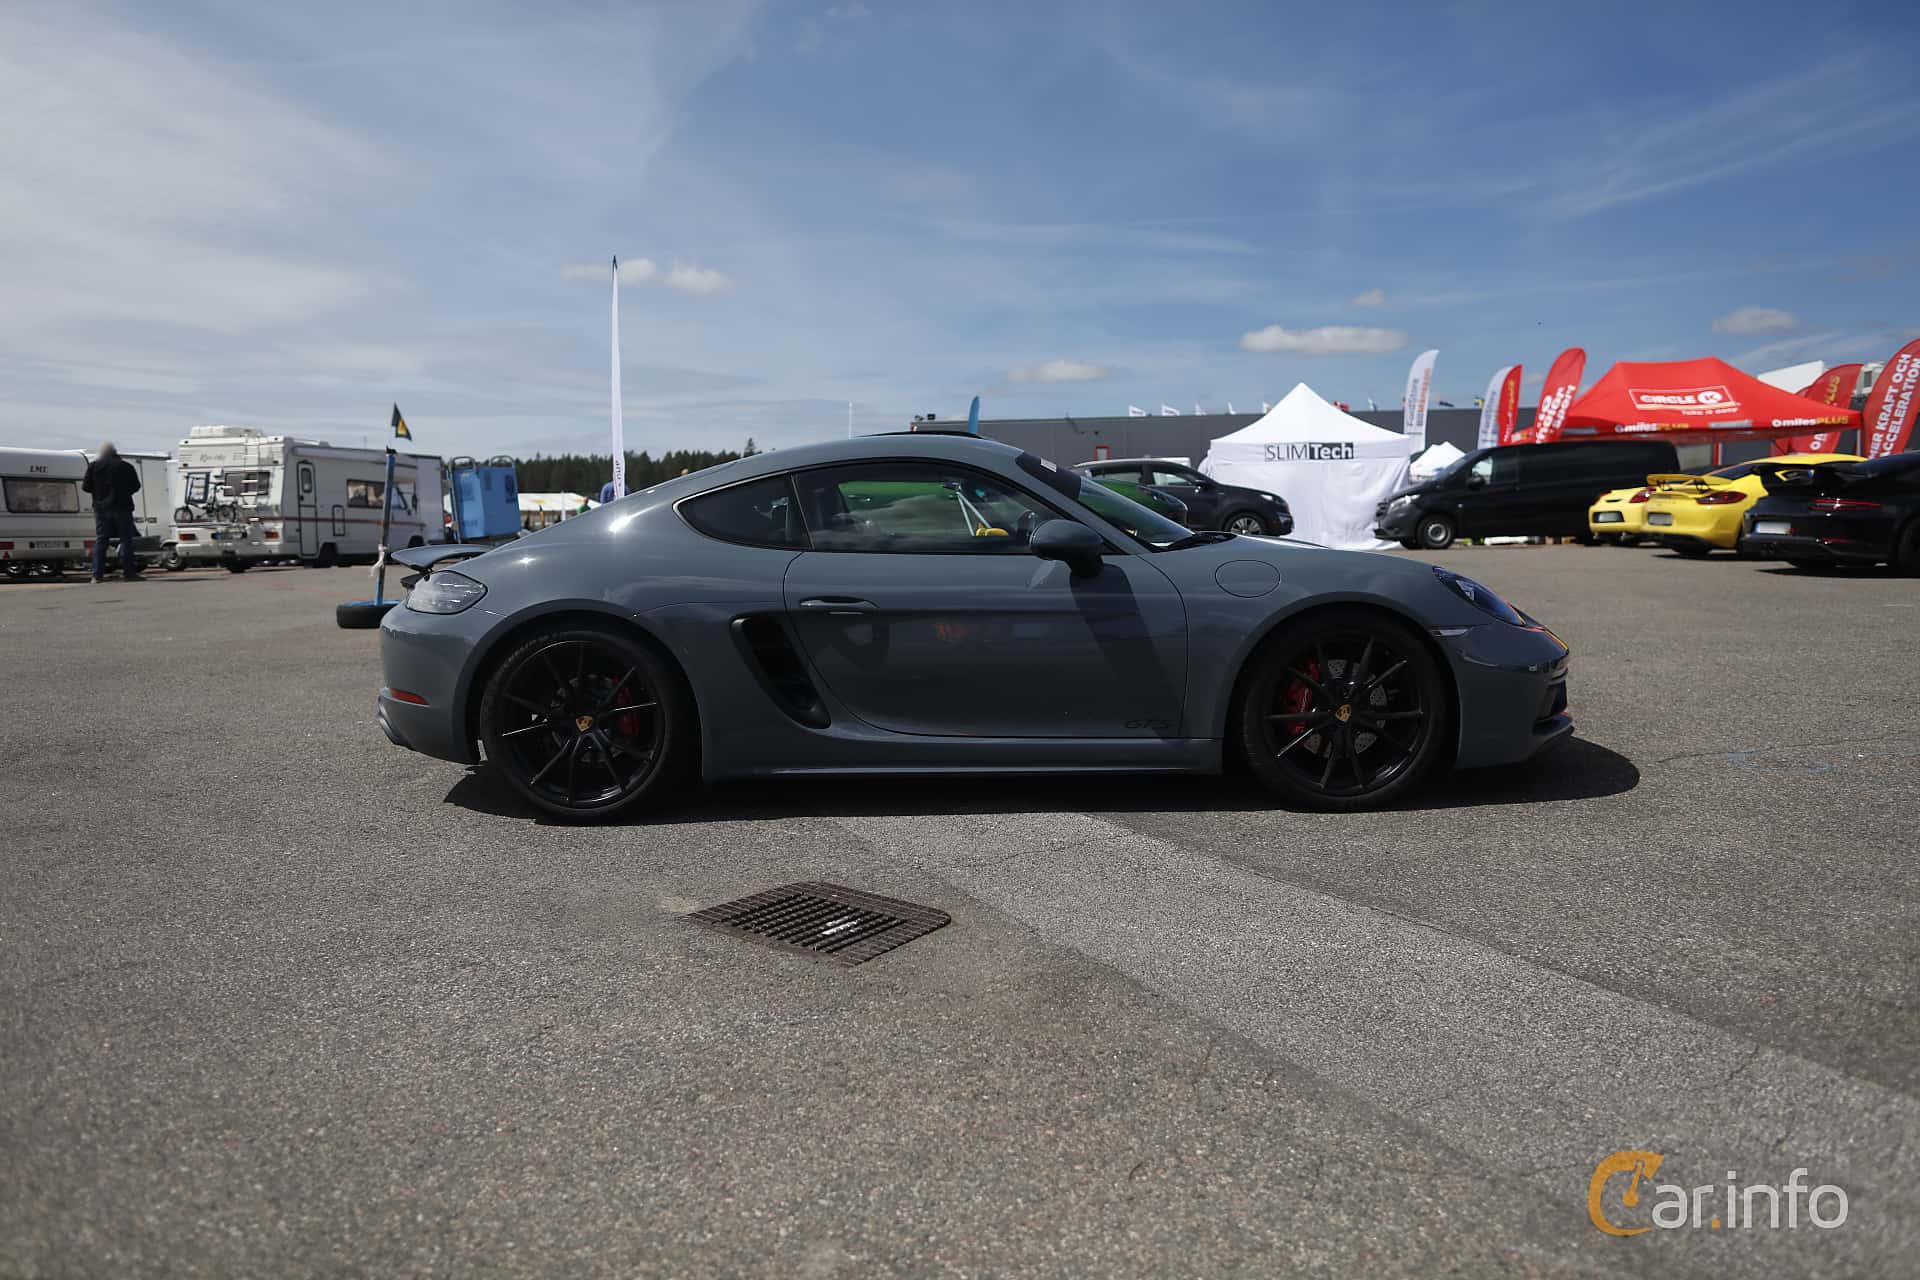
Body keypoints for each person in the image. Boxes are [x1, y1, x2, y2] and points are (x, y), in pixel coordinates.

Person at [81, 442, 142, 583]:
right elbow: (136, 486)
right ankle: (129, 573)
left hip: (101, 509)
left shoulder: (94, 466)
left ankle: (97, 575)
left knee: (101, 540)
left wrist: (99, 494)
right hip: (122, 507)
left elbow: (86, 487)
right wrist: (124, 493)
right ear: (115, 452)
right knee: (126, 540)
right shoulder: (126, 467)